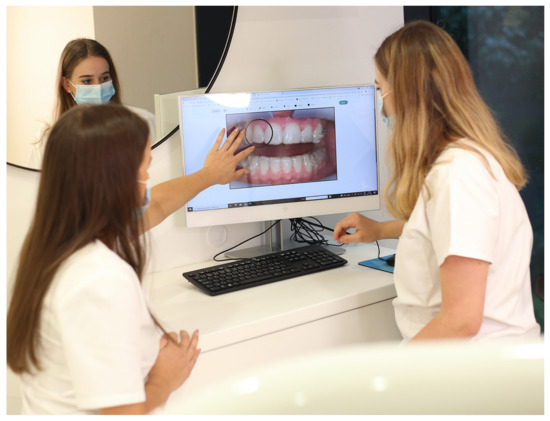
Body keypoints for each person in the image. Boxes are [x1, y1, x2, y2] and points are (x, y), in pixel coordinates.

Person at [6, 104, 251, 414]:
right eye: (145, 168)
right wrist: (165, 378)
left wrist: (208, 175)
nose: (148, 178)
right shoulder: (100, 279)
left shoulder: (52, 246)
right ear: (116, 179)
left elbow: (157, 205)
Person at [333, 21, 539, 342]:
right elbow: (451, 229)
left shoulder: (459, 175)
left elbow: (461, 321)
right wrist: (381, 230)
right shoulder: (465, 162)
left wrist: (391, 366)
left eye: (380, 89)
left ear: (405, 95)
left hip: (475, 367)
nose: (382, 107)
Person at [28, 38, 156, 168]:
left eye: (104, 78)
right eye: (87, 81)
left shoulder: (143, 122)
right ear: (67, 85)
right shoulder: (49, 137)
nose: (98, 87)